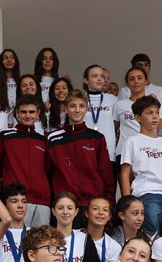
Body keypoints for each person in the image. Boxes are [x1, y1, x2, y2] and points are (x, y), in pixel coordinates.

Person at [48, 90, 114, 222]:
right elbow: (48, 173)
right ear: (66, 109)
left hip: (92, 204)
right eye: (72, 106)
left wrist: (109, 202)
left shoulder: (97, 138)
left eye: (81, 106)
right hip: (65, 206)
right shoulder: (53, 138)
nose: (77, 110)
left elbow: (106, 173)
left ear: (87, 109)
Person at [119, 96, 162, 237]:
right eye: (149, 113)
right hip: (147, 194)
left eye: (157, 112)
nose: (154, 117)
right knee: (153, 238)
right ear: (138, 117)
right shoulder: (132, 141)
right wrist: (128, 202)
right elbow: (124, 173)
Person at [0, 95, 51, 226]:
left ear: (38, 113)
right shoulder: (5, 136)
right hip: (15, 200)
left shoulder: (43, 140)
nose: (28, 115)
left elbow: (47, 170)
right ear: (17, 113)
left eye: (31, 112)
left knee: (41, 239)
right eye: (23, 112)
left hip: (41, 202)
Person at [82, 64, 119, 163]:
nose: (99, 79)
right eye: (95, 76)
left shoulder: (113, 99)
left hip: (108, 150)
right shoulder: (80, 98)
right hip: (85, 149)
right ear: (86, 80)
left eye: (101, 76)